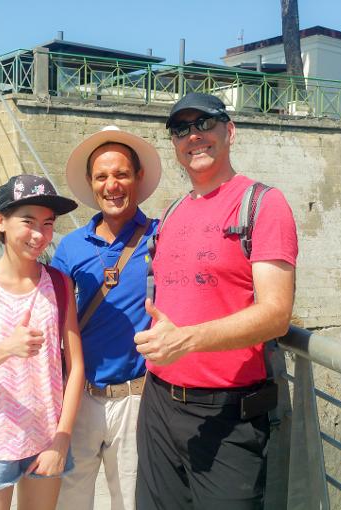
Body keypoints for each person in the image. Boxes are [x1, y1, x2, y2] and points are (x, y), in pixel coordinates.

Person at [134, 93, 298, 510]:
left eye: (205, 123)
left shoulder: (262, 204)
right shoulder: (171, 214)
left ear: (230, 131)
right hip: (158, 403)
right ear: (174, 145)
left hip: (227, 414)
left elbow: (277, 314)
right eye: (181, 129)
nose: (194, 136)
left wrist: (186, 341)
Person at [0, 174, 85, 510]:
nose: (40, 234)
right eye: (28, 222)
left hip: (46, 437)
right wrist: (6, 349)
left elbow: (77, 367)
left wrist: (62, 438)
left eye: (48, 223)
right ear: (0, 221)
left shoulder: (59, 284)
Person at [51, 126, 162, 510]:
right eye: (102, 177)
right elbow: (51, 317)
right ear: (90, 183)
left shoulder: (160, 238)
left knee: (131, 501)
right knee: (69, 500)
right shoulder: (70, 247)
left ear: (138, 178)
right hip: (78, 397)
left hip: (136, 398)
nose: (111, 185)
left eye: (121, 174)